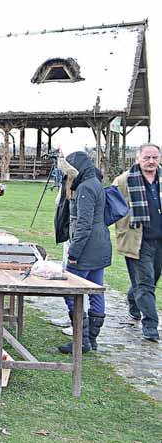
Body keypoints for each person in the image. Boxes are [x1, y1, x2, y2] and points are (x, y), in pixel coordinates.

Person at [54, 152, 112, 353]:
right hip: (100, 245)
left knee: (71, 291)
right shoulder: (94, 182)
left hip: (88, 248)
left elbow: (84, 225)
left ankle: (83, 339)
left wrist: (74, 252)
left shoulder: (86, 188)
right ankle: (91, 339)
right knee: (96, 290)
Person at [114, 143, 162, 342]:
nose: (151, 162)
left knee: (152, 279)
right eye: (147, 158)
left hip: (159, 240)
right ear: (137, 159)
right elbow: (111, 206)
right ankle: (150, 325)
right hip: (137, 240)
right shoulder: (124, 181)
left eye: (155, 158)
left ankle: (133, 300)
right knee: (145, 283)